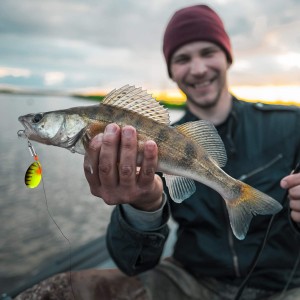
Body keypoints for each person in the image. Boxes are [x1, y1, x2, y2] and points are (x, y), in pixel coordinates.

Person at [15, 4, 300, 300]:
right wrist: (142, 206)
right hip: (189, 278)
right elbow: (132, 263)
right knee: (55, 292)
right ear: (172, 71)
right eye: (182, 58)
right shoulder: (161, 140)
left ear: (227, 57)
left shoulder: (292, 125)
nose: (198, 68)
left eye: (208, 52)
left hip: (285, 282)